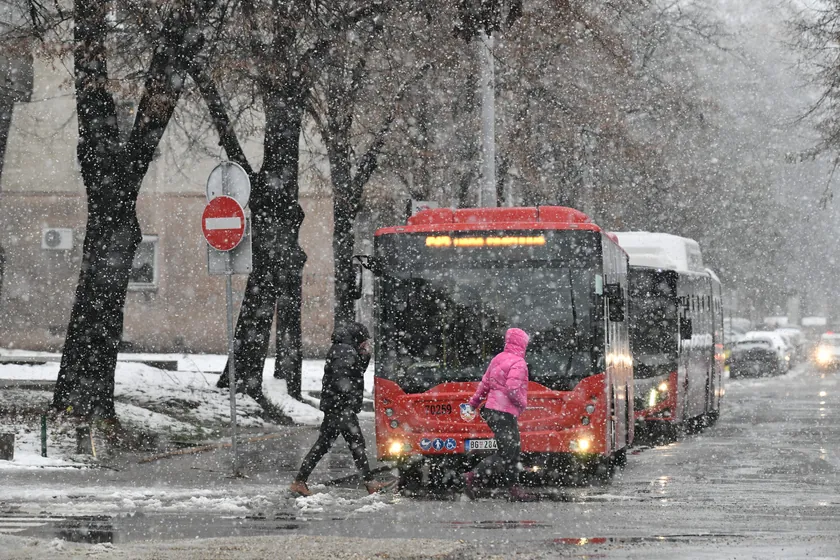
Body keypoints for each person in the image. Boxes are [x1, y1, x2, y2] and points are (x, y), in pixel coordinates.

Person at [289, 322, 393, 497]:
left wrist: (364, 357)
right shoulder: (344, 351)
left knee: (345, 444)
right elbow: (344, 378)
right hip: (340, 408)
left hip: (340, 407)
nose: (366, 344)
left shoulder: (345, 350)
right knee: (345, 444)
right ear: (357, 338)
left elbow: (355, 372)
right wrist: (346, 403)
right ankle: (300, 482)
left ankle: (369, 482)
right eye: (364, 341)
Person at [462, 327, 535, 501]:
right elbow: (512, 389)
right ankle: (474, 477)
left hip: (492, 411)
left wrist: (473, 403)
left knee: (511, 450)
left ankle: (511, 487)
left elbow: (484, 384)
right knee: (509, 451)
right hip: (504, 412)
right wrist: (522, 403)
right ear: (522, 344)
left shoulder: (497, 359)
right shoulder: (518, 363)